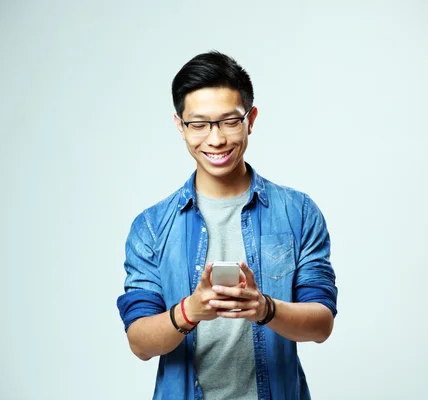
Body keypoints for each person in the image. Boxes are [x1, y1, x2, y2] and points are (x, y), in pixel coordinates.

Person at [116, 51, 338, 400]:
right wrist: (191, 311)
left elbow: (322, 323)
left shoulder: (298, 212)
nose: (215, 139)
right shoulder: (151, 227)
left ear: (251, 119)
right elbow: (140, 342)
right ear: (180, 126)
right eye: (199, 124)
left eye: (229, 122)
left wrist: (265, 308)